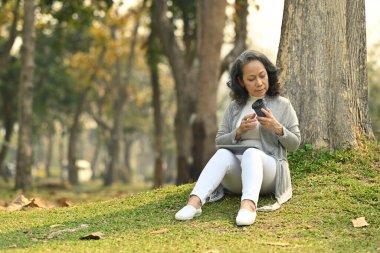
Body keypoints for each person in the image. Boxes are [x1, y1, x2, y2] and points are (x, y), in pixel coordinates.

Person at [175, 50, 301, 226]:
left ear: (268, 74)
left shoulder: (282, 105)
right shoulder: (235, 107)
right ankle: (194, 203)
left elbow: (295, 144)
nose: (259, 83)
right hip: (237, 178)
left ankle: (248, 206)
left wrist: (277, 127)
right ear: (241, 81)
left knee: (252, 153)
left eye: (262, 76)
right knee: (222, 154)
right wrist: (238, 132)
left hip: (270, 174)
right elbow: (219, 141)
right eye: (251, 79)